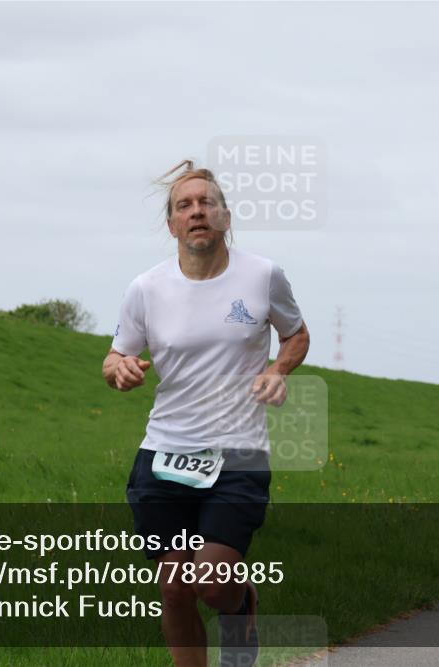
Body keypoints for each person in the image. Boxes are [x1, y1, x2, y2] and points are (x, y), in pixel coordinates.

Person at [102, 161, 310, 667]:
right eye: (184, 206)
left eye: (206, 203)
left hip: (237, 452)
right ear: (172, 224)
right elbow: (115, 356)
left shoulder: (263, 275)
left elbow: (296, 334)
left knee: (213, 586)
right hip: (165, 451)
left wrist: (279, 369)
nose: (196, 212)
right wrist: (121, 369)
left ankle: (242, 604)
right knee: (174, 588)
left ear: (225, 216)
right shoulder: (146, 288)